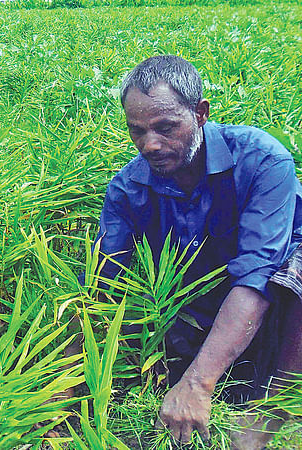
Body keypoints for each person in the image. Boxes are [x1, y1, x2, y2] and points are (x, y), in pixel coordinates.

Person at [95, 54, 302, 449]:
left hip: (273, 304)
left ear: (201, 113)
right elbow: (101, 288)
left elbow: (257, 277)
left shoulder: (262, 160)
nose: (150, 144)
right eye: (136, 131)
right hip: (196, 310)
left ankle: (273, 412)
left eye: (165, 127)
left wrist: (197, 383)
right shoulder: (127, 189)